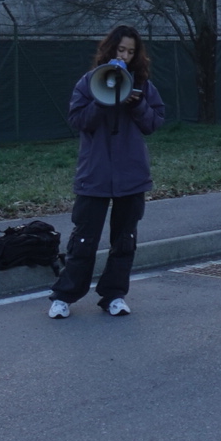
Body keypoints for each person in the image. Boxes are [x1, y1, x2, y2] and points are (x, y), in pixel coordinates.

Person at [49, 24, 166, 319]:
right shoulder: (89, 82)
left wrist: (136, 104)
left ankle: (114, 294)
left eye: (130, 52)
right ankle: (64, 296)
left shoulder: (143, 85)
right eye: (120, 50)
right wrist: (103, 100)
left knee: (124, 239)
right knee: (84, 240)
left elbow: (153, 123)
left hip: (131, 175)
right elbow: (78, 122)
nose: (124, 57)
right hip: (95, 175)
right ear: (109, 50)